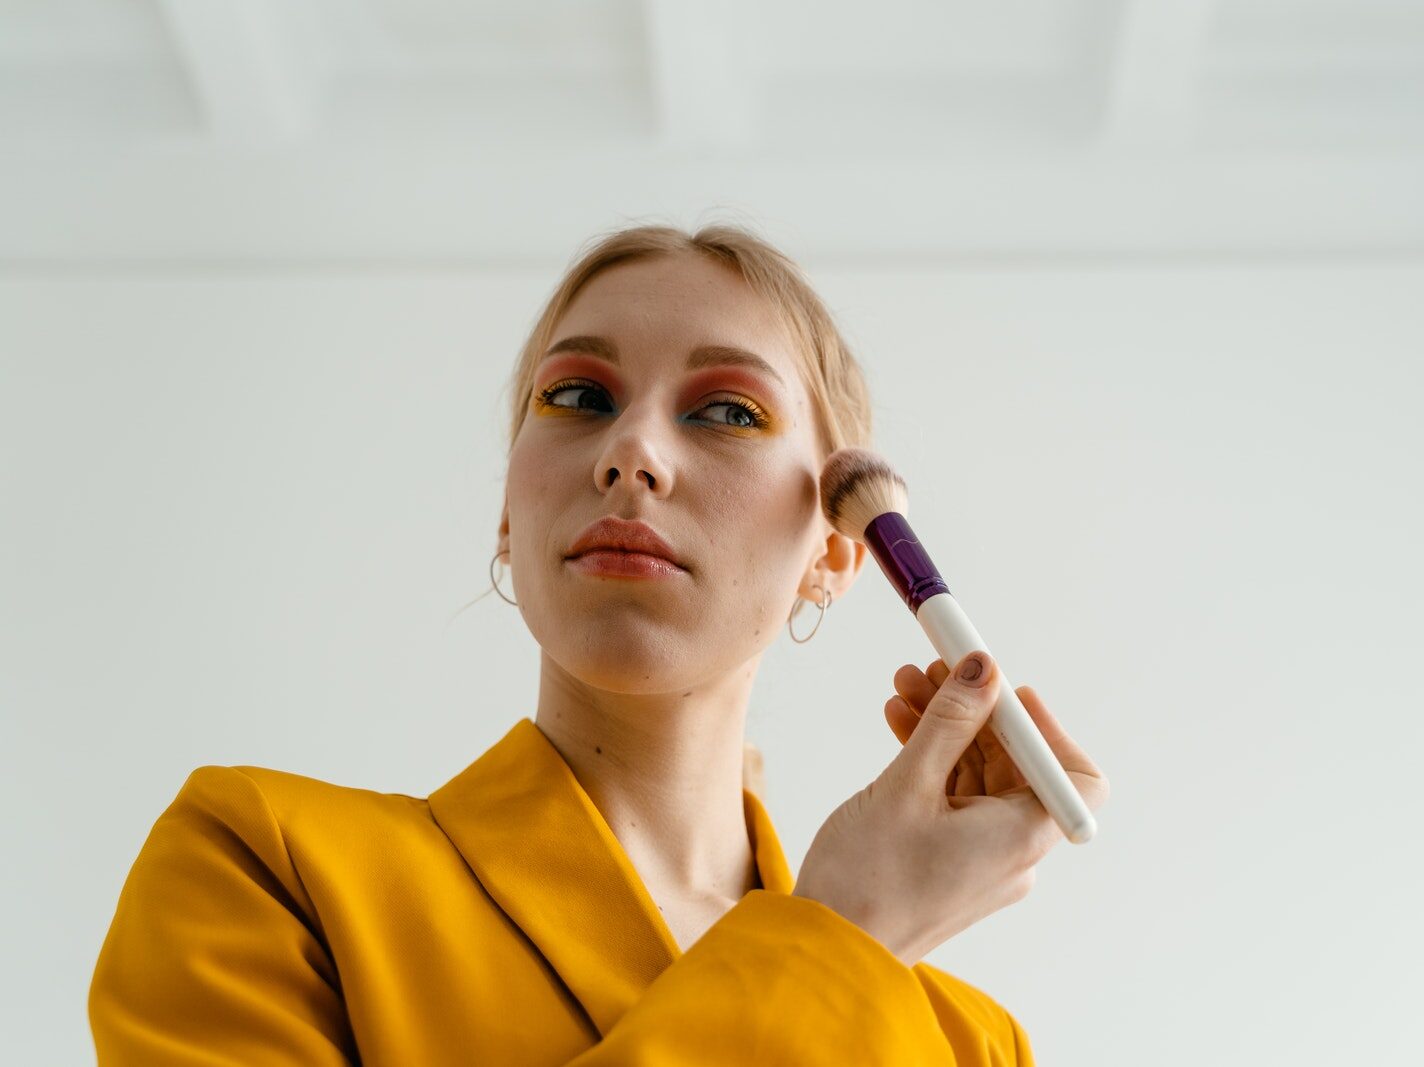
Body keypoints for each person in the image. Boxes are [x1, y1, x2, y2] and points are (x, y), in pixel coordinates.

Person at [89, 221, 1109, 1064]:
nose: (630, 454)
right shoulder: (263, 864)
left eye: (725, 409)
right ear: (505, 508)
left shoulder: (968, 1045)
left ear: (834, 556)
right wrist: (833, 940)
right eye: (577, 397)